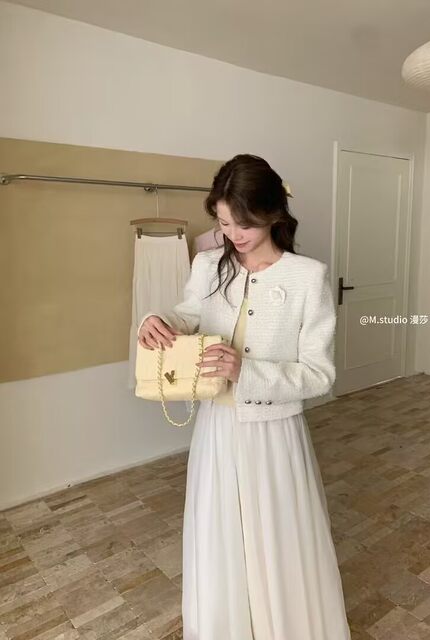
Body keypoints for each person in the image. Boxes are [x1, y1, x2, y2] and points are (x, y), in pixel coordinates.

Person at [137, 154, 351, 640]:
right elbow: (187, 316)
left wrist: (247, 372)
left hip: (275, 433)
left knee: (277, 536)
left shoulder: (307, 277)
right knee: (219, 533)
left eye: (244, 223)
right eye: (223, 222)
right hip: (216, 426)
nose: (232, 234)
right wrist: (156, 321)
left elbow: (319, 374)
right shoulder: (208, 265)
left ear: (273, 213)